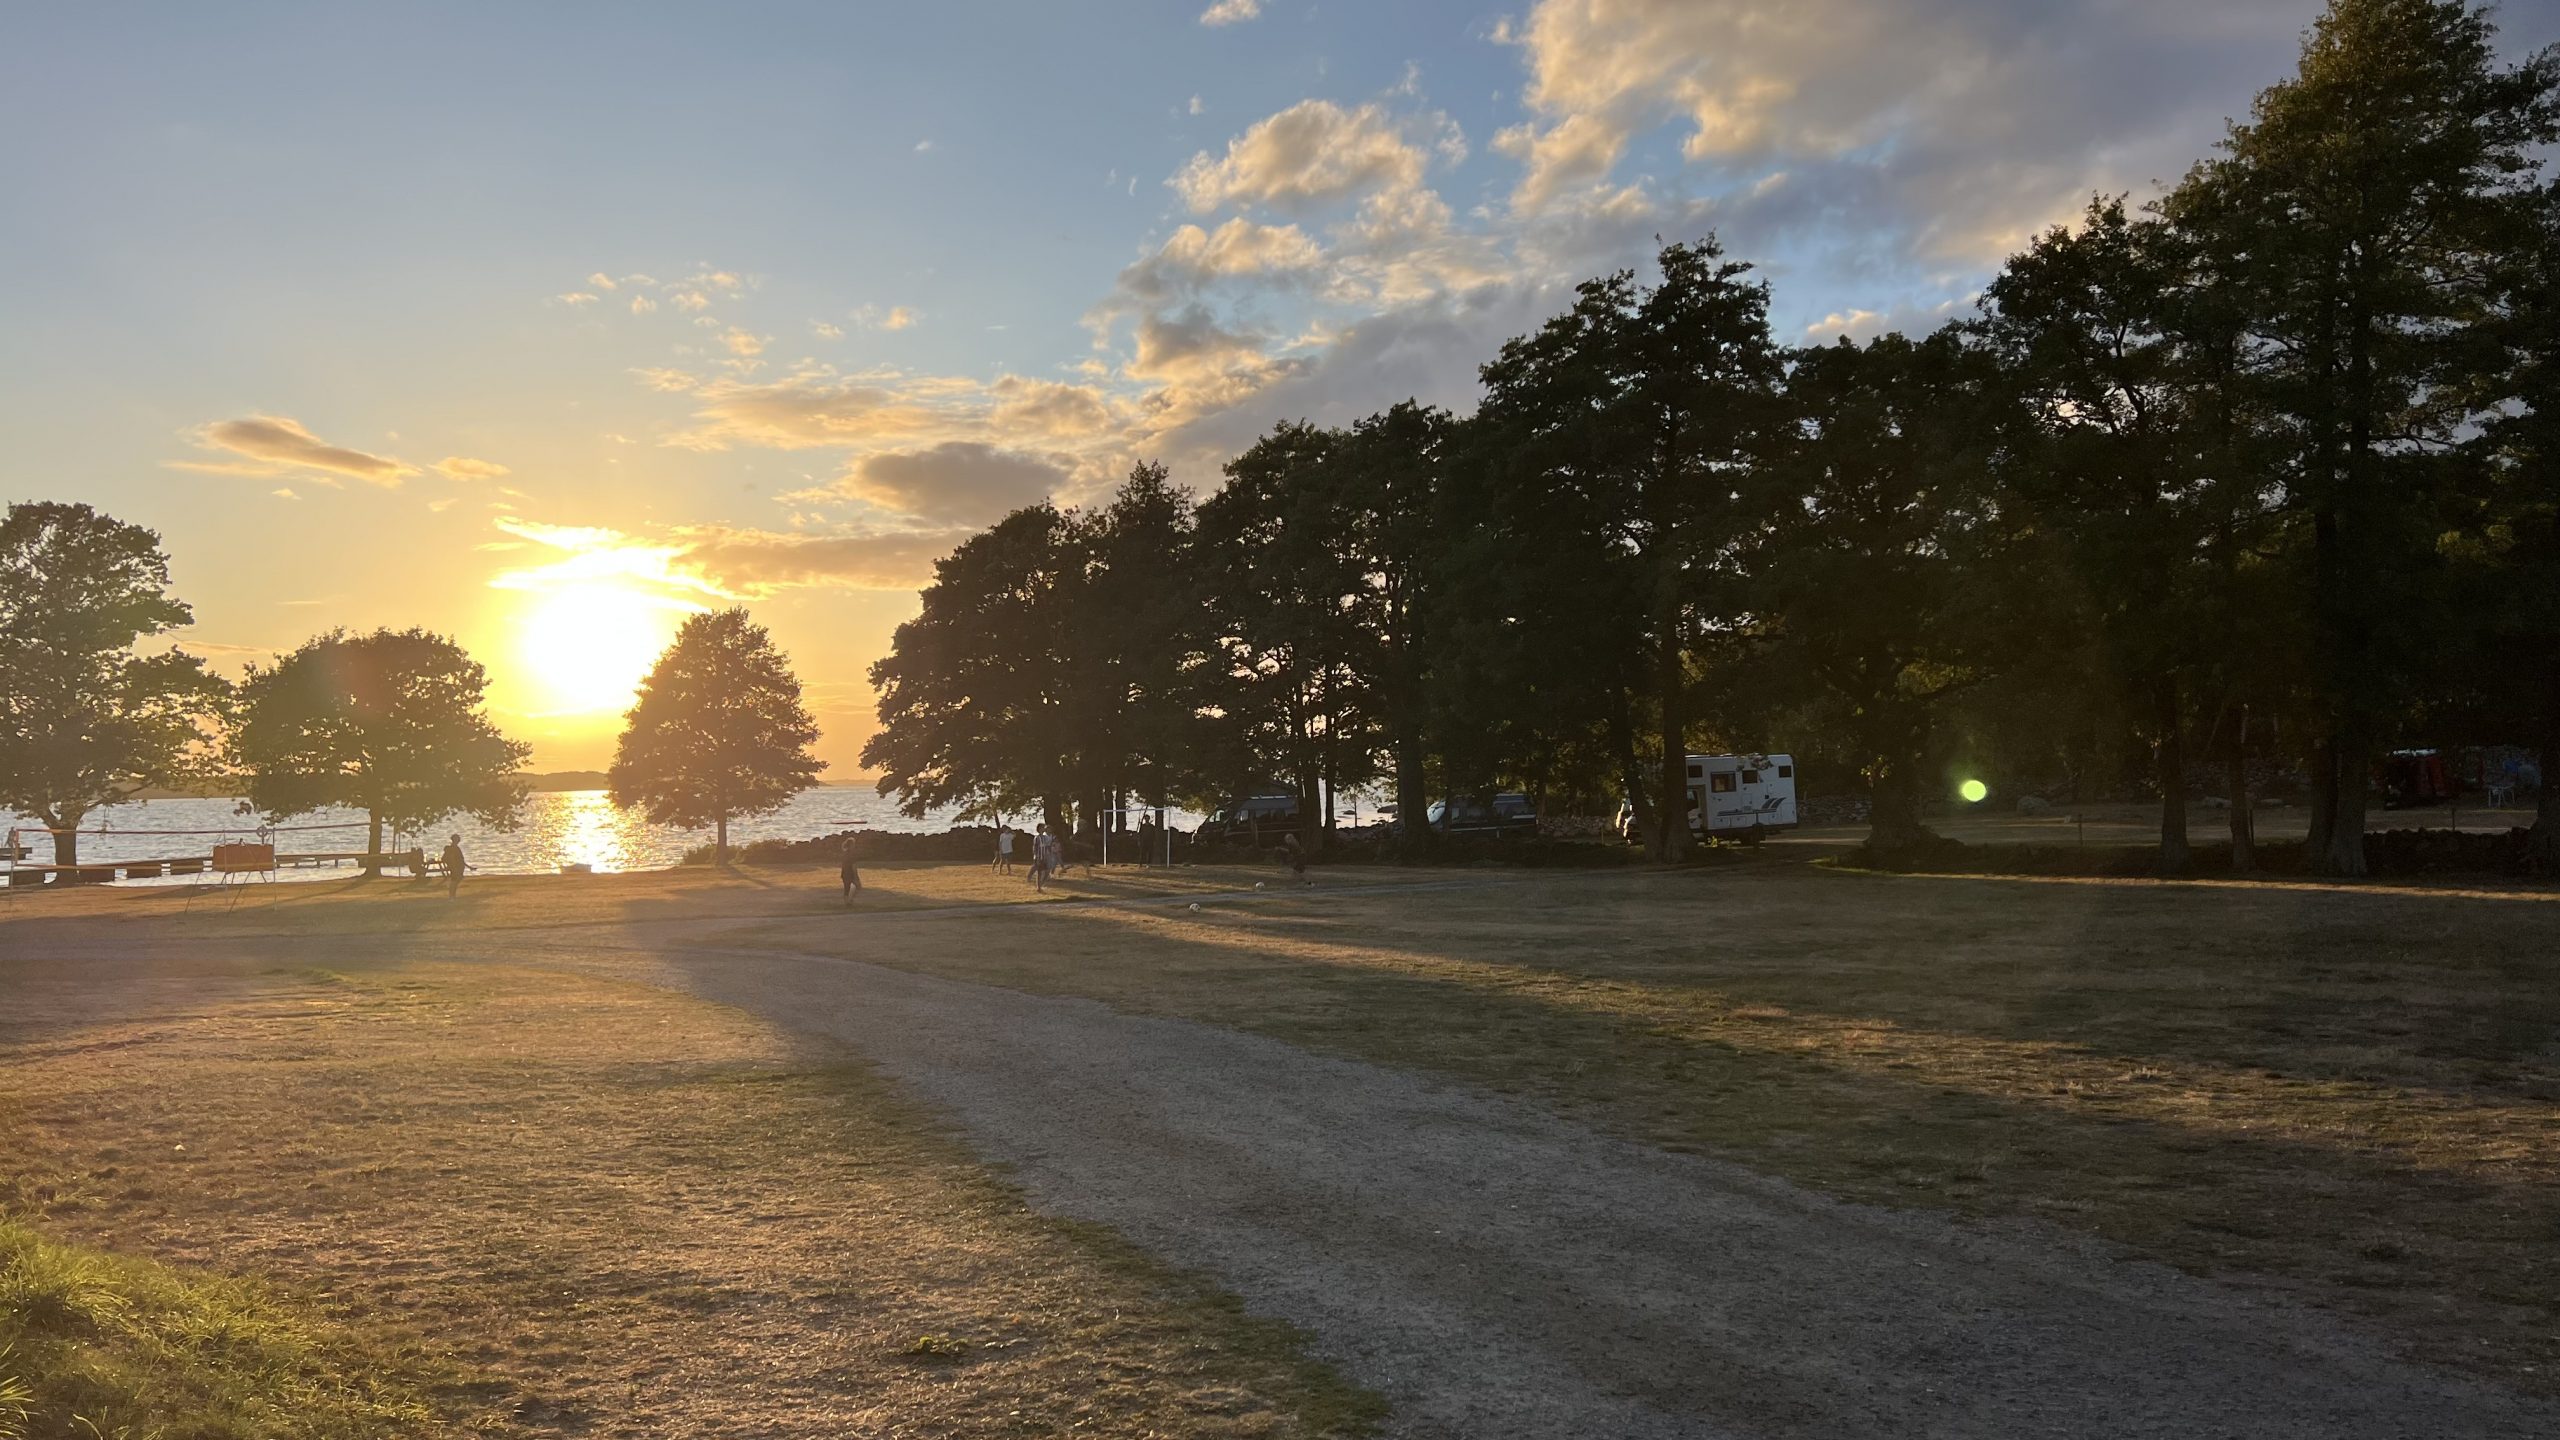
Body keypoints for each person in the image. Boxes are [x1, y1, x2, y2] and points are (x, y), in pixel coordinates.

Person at [440, 833, 469, 898]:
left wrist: (469, 867)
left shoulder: (456, 848)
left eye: (458, 839)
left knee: (456, 881)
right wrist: (453, 867)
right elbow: (451, 859)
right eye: (457, 839)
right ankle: (451, 896)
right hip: (455, 867)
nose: (458, 840)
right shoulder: (452, 848)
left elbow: (461, 860)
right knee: (454, 881)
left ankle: (453, 895)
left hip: (459, 867)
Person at [839, 834, 862, 904]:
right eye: (853, 844)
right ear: (851, 845)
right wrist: (856, 876)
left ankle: (847, 901)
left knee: (846, 888)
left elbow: (843, 864)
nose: (854, 846)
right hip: (850, 873)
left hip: (844, 873)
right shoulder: (852, 854)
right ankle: (850, 900)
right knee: (858, 886)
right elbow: (853, 866)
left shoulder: (844, 853)